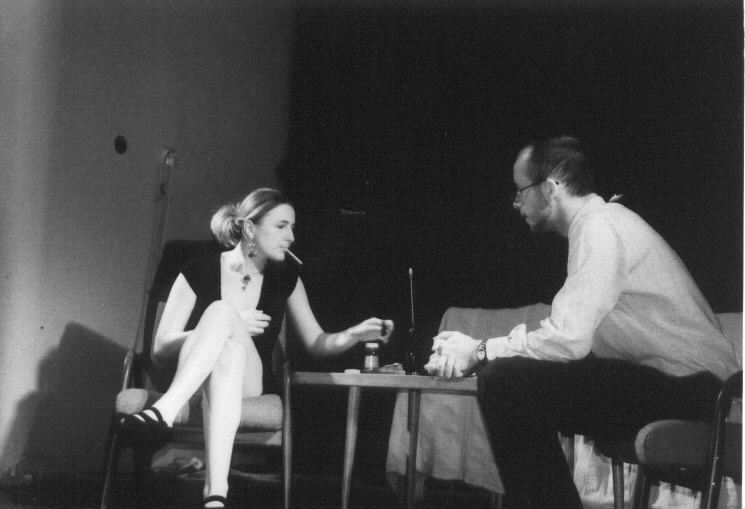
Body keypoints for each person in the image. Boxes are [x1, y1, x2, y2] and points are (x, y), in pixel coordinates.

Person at [425, 136, 738, 508]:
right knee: (517, 379)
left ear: (550, 188)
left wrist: (479, 350)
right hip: (676, 382)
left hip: (695, 389)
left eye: (520, 192)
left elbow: (566, 339)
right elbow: (572, 342)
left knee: (505, 383)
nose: (516, 203)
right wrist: (482, 353)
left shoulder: (599, 227)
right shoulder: (598, 224)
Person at [118, 188, 394, 509]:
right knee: (227, 342)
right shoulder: (197, 269)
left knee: (223, 314)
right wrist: (221, 328)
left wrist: (355, 334)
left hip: (249, 383)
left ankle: (164, 411)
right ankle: (216, 495)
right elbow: (160, 347)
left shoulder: (286, 278)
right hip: (196, 380)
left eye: (293, 227)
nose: (291, 237)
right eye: (281, 226)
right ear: (250, 228)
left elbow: (317, 342)